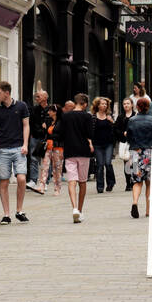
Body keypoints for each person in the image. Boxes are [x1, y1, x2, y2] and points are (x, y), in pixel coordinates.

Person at [0, 80, 30, 224]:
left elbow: (26, 126)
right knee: (3, 182)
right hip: (2, 149)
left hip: (19, 148)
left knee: (21, 179)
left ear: (7, 93)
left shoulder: (21, 106)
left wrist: (25, 144)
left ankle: (19, 210)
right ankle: (6, 214)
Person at [56, 93, 95, 223]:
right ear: (84, 104)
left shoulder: (66, 116)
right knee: (82, 182)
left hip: (70, 151)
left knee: (71, 181)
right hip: (83, 151)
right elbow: (90, 134)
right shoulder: (87, 116)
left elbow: (59, 133)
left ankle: (74, 208)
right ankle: (80, 209)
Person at [126, 96, 152, 218]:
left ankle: (135, 202)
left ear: (137, 107)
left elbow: (128, 138)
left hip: (135, 153)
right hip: (149, 153)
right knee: (149, 182)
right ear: (148, 107)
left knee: (137, 181)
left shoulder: (132, 120)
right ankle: (148, 210)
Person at [35, 103, 64, 196]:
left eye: (50, 111)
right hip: (47, 147)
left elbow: (62, 135)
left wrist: (51, 136)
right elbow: (44, 134)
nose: (48, 112)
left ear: (55, 112)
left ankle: (57, 188)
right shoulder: (48, 121)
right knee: (44, 166)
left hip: (58, 147)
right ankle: (41, 186)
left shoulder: (62, 122)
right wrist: (44, 129)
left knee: (57, 169)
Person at [27, 89, 51, 192]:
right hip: (35, 137)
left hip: (47, 138)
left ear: (45, 98)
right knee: (33, 158)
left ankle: (45, 181)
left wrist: (46, 127)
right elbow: (31, 123)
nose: (36, 99)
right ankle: (33, 180)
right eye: (36, 97)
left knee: (46, 160)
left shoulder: (51, 109)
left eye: (38, 97)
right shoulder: (33, 109)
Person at [92, 97, 117, 193]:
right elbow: (90, 130)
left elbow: (115, 130)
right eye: (102, 104)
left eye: (106, 104)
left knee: (108, 163)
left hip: (108, 144)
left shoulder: (109, 116)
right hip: (97, 144)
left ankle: (110, 183)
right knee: (100, 165)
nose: (104, 105)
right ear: (98, 105)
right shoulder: (93, 117)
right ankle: (100, 186)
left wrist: (112, 122)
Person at [116, 97, 135, 190]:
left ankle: (134, 181)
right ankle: (128, 183)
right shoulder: (120, 117)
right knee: (126, 162)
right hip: (124, 142)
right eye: (124, 104)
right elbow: (116, 129)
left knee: (134, 163)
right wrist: (122, 133)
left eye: (128, 103)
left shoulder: (136, 115)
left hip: (134, 142)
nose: (126, 105)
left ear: (132, 104)